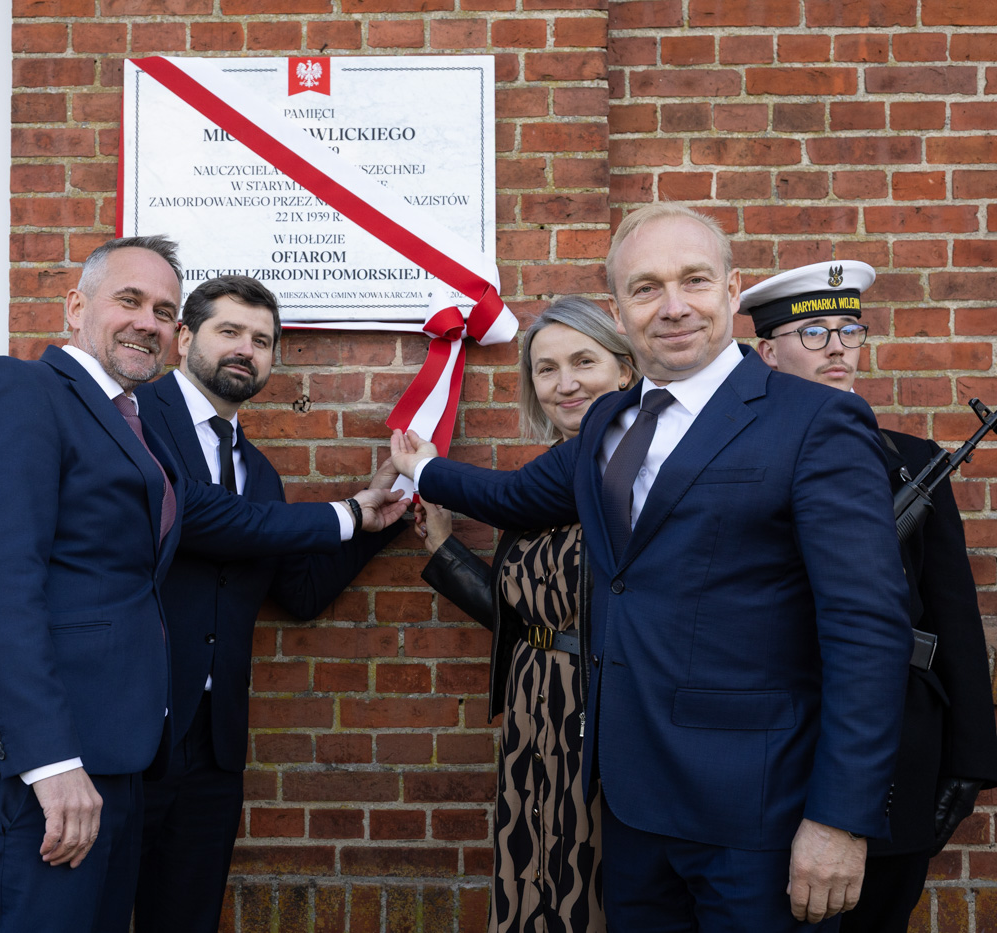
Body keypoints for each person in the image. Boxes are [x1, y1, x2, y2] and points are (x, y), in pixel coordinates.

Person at [389, 203, 913, 931]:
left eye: (693, 280)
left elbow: (867, 629)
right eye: (646, 288)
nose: (673, 306)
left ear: (732, 289)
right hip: (631, 807)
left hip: (758, 814)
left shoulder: (815, 421)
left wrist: (841, 817)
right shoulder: (611, 421)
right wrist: (422, 467)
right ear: (618, 310)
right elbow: (513, 496)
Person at [0, 237, 407, 933]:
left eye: (162, 310)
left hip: (118, 753)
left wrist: (382, 513)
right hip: (40, 758)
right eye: (129, 300)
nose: (147, 321)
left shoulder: (132, 426)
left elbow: (280, 579)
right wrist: (48, 760)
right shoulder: (22, 389)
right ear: (75, 307)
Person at [131, 274, 404, 933]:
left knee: (186, 918)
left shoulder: (258, 473)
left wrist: (382, 514)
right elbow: (195, 516)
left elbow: (300, 591)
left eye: (261, 340)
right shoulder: (135, 420)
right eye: (229, 331)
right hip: (130, 727)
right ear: (184, 338)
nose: (245, 350)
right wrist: (345, 513)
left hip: (213, 746)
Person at [744, 259, 997, 933]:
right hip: (769, 746)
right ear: (767, 352)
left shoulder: (914, 459)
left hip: (899, 751)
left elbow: (953, 616)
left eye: (849, 330)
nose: (837, 348)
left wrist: (970, 759)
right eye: (814, 333)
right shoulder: (735, 460)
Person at [416, 296, 635, 933]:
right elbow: (529, 617)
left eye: (584, 362)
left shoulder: (635, 468)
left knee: (587, 875)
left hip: (599, 708)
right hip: (533, 705)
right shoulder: (544, 474)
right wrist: (445, 552)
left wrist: (422, 469)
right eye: (546, 369)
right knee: (529, 865)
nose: (565, 383)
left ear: (625, 370)